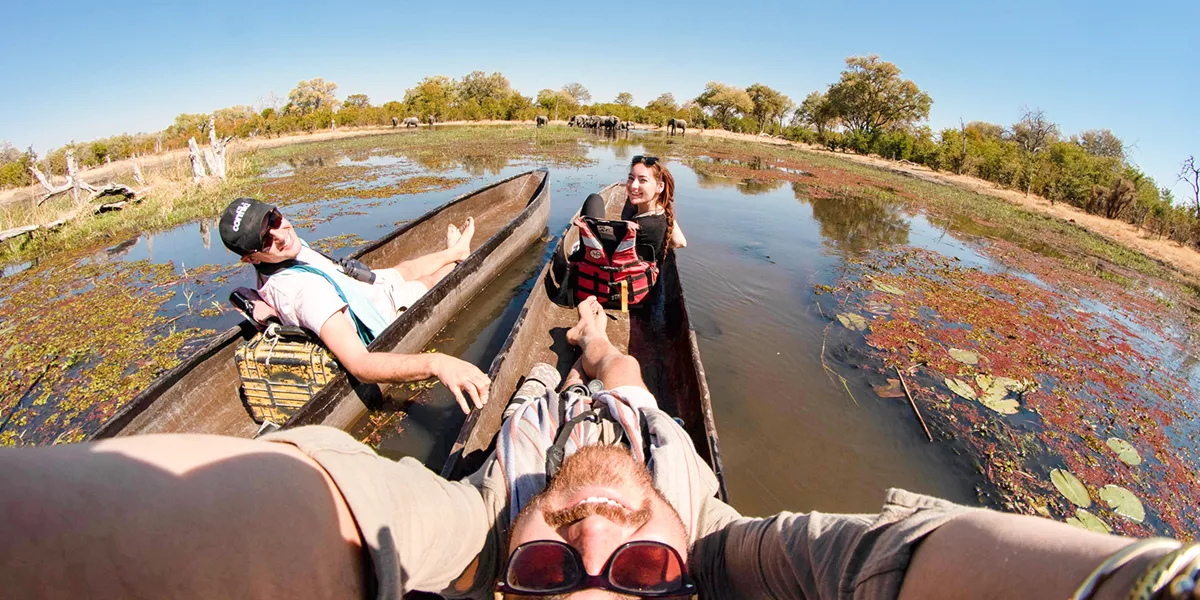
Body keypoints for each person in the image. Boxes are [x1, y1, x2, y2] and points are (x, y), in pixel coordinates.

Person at [1, 295, 1194, 600]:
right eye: (636, 576)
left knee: (554, 366)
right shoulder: (727, 549)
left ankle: (573, 336)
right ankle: (598, 337)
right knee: (620, 370)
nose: (596, 530)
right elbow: (893, 561)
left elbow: (321, 501)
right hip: (632, 416)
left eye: (545, 571)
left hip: (531, 414)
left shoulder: (472, 528)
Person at [218, 197, 490, 414]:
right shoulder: (305, 292)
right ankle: (457, 261)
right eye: (266, 240)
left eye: (275, 219)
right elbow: (360, 363)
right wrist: (437, 363)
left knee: (403, 269)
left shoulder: (284, 252)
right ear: (250, 259)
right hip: (380, 313)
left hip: (359, 292)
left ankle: (455, 251)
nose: (281, 234)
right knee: (429, 281)